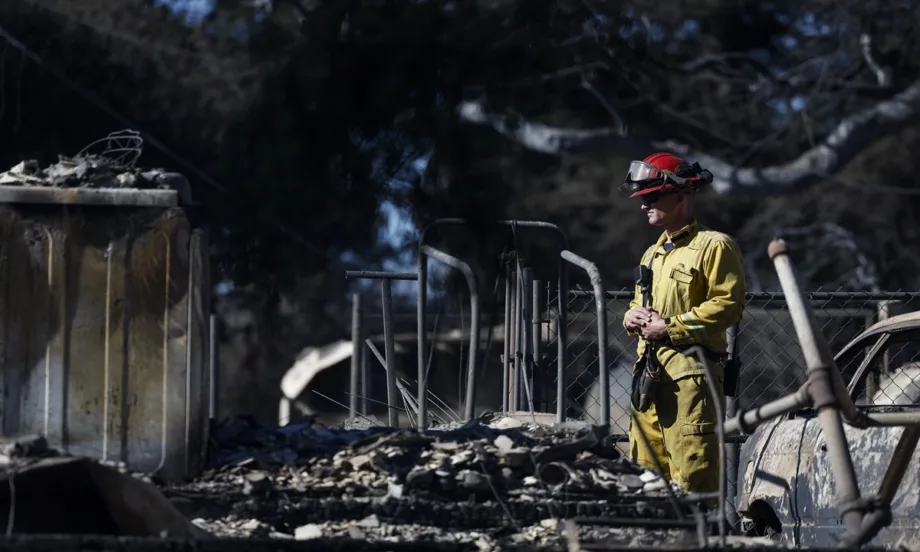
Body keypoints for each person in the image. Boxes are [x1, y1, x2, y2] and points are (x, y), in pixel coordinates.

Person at [619, 152, 746, 494]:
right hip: (647, 381)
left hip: (692, 381)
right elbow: (639, 304)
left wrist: (670, 327)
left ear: (681, 194)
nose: (644, 204)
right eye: (642, 198)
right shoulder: (653, 254)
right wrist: (631, 317)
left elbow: (728, 304)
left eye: (651, 196)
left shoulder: (714, 246)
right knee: (646, 479)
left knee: (693, 477)